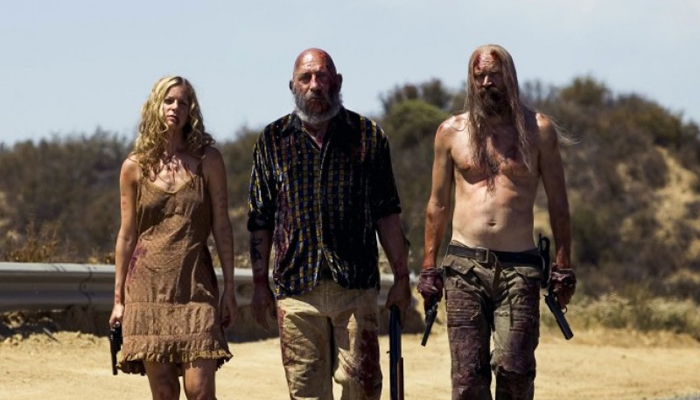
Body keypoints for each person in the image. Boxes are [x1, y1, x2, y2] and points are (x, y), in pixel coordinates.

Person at [247, 48, 412, 400]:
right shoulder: (272, 140)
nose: (315, 85)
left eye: (322, 76)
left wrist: (401, 278)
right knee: (305, 391)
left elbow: (387, 213)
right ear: (292, 85)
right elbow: (260, 219)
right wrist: (260, 284)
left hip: (354, 287)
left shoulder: (367, 135)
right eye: (305, 78)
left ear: (337, 82)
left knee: (361, 386)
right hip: (296, 291)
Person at [418, 44, 577, 400]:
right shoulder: (451, 132)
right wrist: (429, 268)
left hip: (519, 268)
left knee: (515, 371)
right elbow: (437, 204)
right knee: (467, 379)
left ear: (511, 77)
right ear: (471, 80)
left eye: (495, 74)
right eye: (480, 76)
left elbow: (559, 203)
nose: (487, 83)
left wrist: (563, 266)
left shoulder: (539, 131)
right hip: (464, 267)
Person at [108, 76, 237, 400]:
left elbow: (222, 225)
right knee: (164, 392)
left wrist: (230, 287)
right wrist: (119, 300)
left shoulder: (208, 160)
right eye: (169, 100)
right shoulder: (134, 167)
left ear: (191, 110)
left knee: (200, 391)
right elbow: (127, 235)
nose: (175, 107)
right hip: (148, 290)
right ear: (156, 105)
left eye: (183, 102)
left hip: (196, 288)